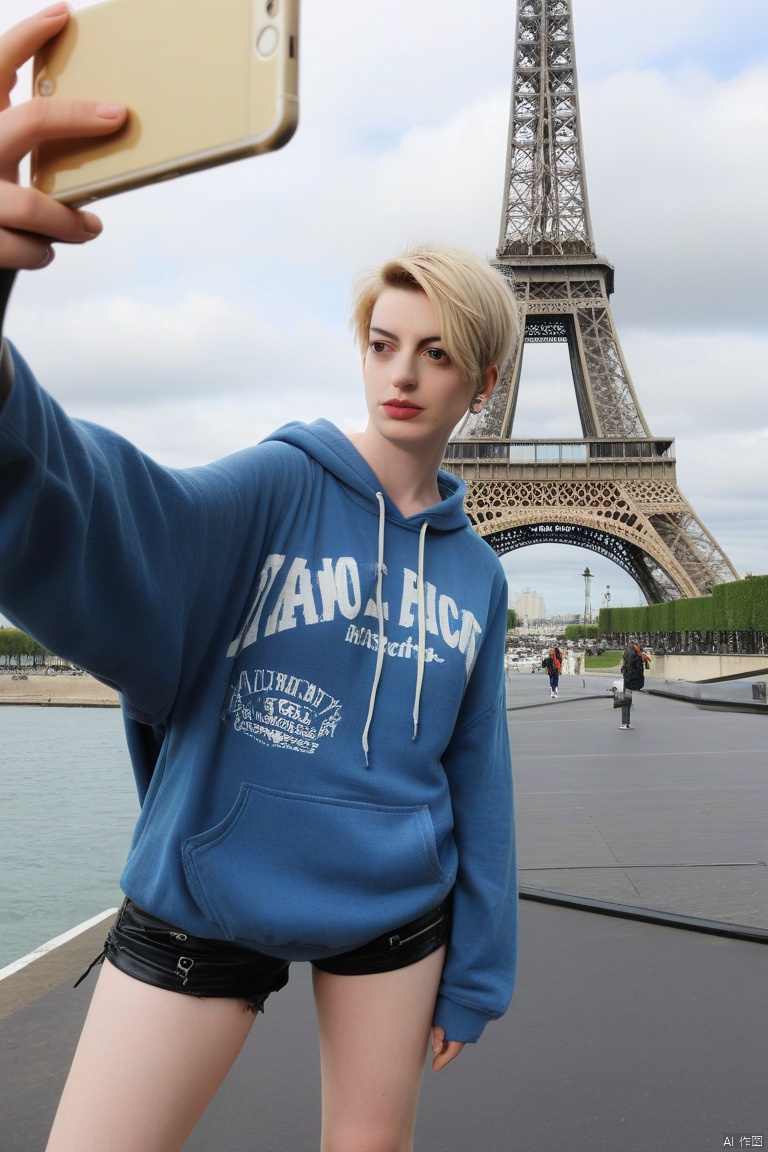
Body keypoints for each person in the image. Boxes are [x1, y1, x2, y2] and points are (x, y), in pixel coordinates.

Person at [0, 10, 518, 1151]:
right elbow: (98, 506)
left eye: (436, 353)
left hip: (397, 911)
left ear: (480, 382)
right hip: (213, 898)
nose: (402, 372)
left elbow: (477, 777)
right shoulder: (275, 490)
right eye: (384, 340)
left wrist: (479, 968)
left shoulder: (477, 575)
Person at [618, 638, 651, 730]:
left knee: (626, 701)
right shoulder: (636, 654)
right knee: (627, 700)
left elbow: (628, 667)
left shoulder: (631, 653)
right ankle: (626, 723)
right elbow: (635, 668)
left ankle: (626, 723)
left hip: (629, 680)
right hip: (632, 680)